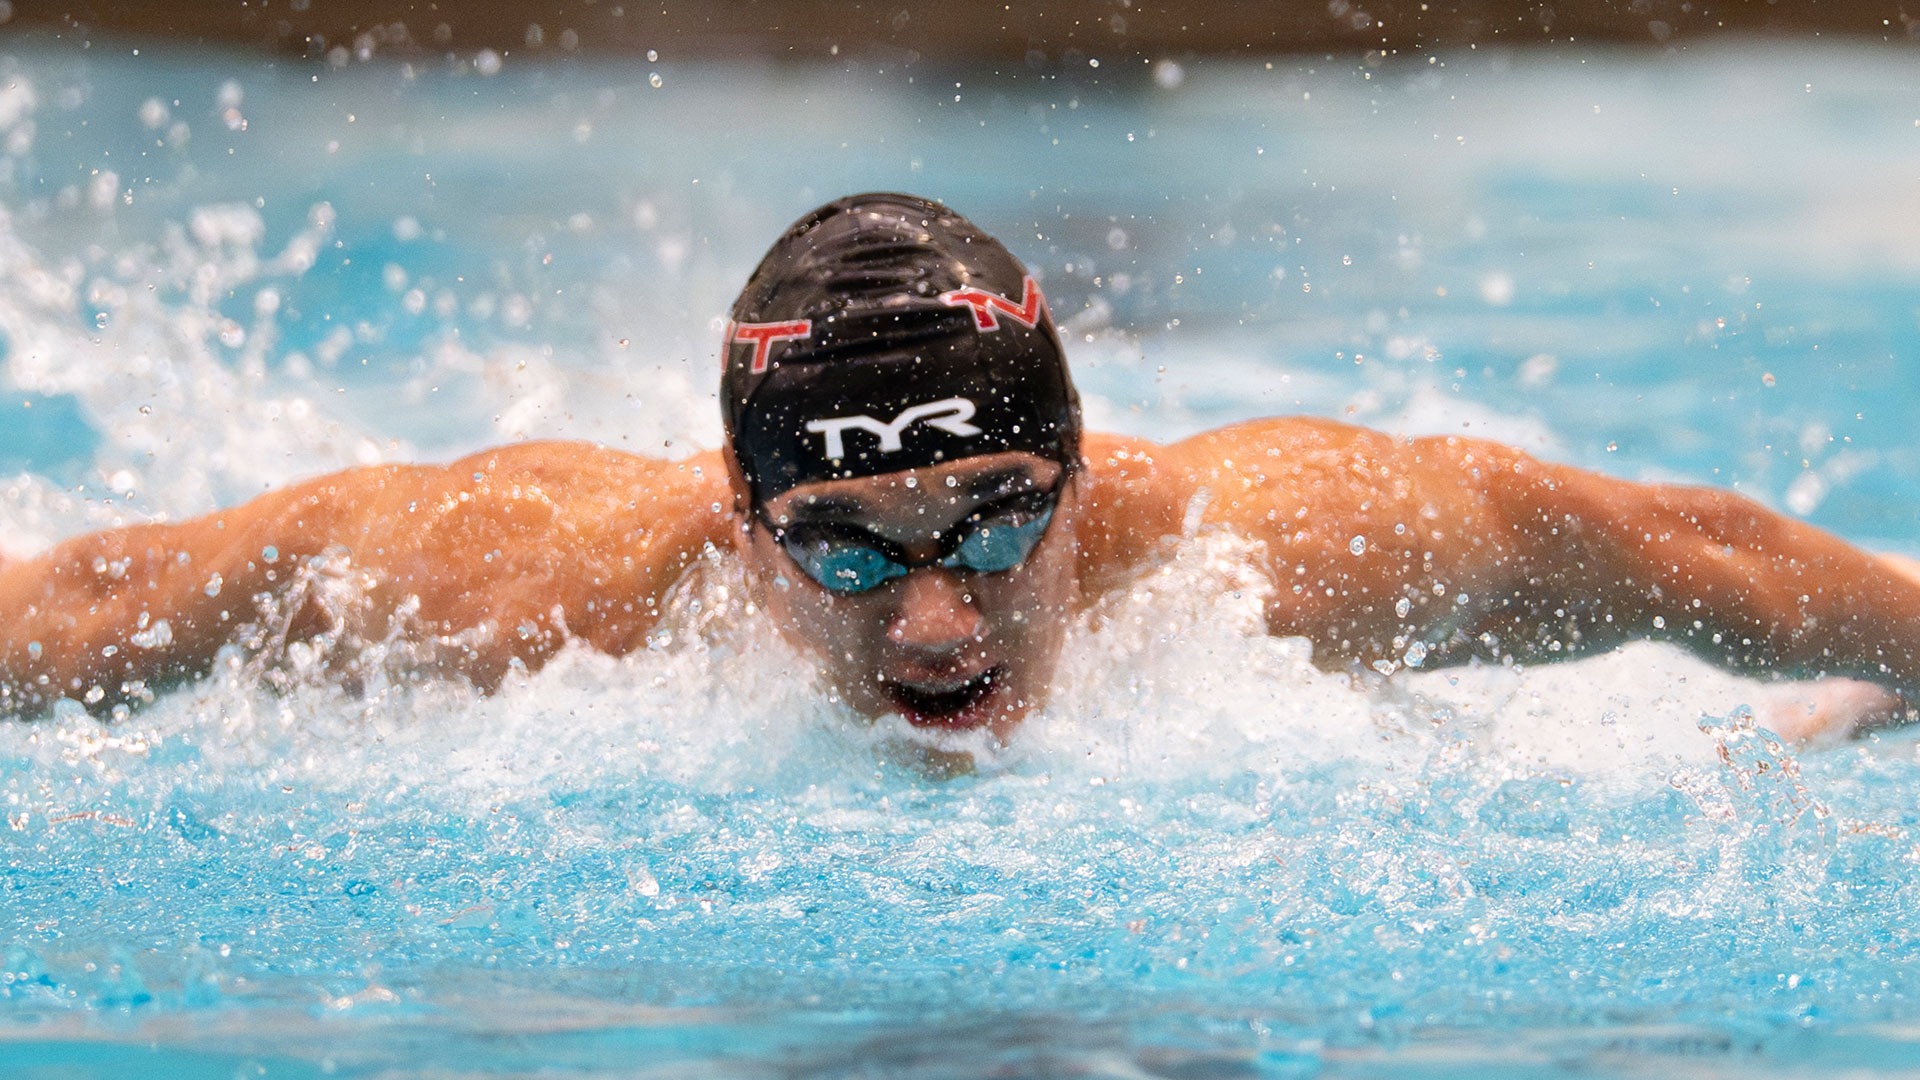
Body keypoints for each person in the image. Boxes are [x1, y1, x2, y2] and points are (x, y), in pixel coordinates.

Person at [2, 192, 1918, 743]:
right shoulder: (530, 592)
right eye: (844, 551)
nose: (934, 620)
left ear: (1085, 485)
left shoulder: (1285, 548)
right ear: (738, 530)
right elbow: (118, 595)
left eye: (997, 523)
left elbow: (1693, 548)